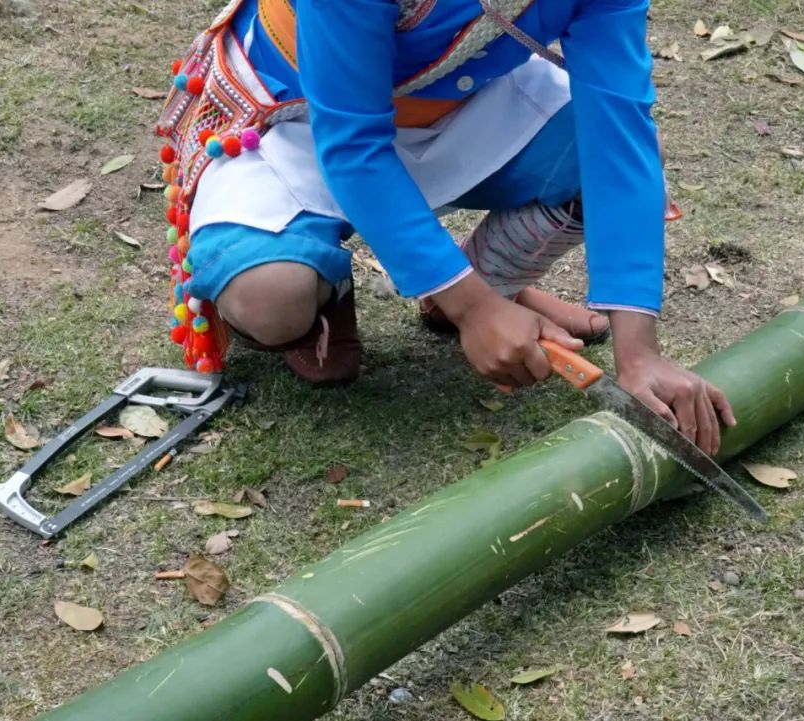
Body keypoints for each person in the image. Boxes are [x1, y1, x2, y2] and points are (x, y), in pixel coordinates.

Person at [157, 0, 735, 455]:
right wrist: (475, 313)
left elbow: (618, 134)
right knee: (270, 301)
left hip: (456, 95)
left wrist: (640, 356)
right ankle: (338, 284)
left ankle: (488, 279)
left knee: (613, 157)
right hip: (292, 115)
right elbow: (353, 145)